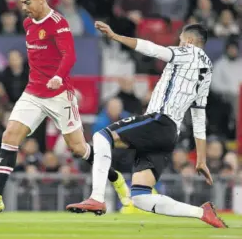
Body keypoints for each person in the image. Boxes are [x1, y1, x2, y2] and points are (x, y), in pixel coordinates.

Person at [0, 0, 129, 219]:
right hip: (33, 92)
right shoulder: (27, 23)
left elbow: (70, 55)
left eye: (27, 2)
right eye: (21, 2)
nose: (24, 7)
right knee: (10, 135)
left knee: (78, 149)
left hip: (59, 95)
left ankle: (116, 178)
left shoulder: (58, 22)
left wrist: (58, 76)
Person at [66, 22, 227, 228]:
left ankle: (97, 197)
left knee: (101, 137)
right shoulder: (207, 69)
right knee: (141, 197)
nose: (178, 44)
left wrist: (116, 36)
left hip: (159, 120)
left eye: (180, 40)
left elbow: (153, 49)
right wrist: (201, 159)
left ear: (189, 41)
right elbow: (198, 115)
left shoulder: (188, 51)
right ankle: (201, 212)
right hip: (169, 135)